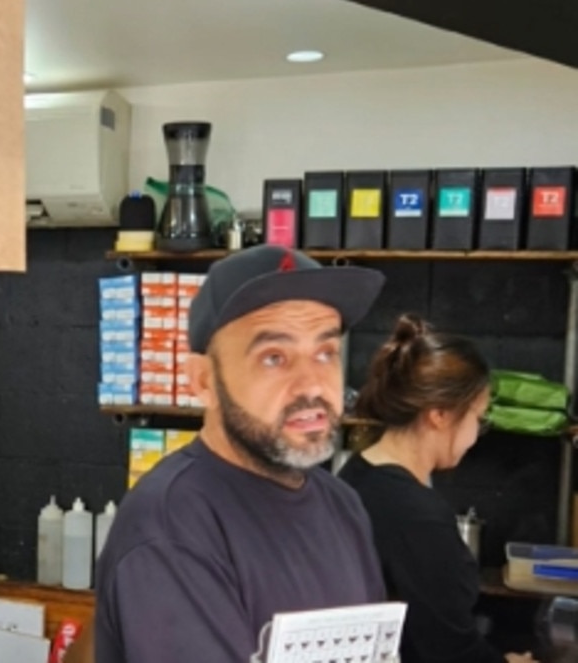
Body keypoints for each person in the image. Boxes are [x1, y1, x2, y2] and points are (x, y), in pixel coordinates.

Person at [94, 244, 389, 663]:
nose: (312, 385)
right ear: (203, 382)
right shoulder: (172, 528)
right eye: (274, 357)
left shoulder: (343, 506)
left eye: (325, 353)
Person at [338, 313, 537, 663]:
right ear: (440, 415)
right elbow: (448, 650)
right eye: (478, 417)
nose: (476, 434)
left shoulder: (356, 474)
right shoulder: (416, 517)